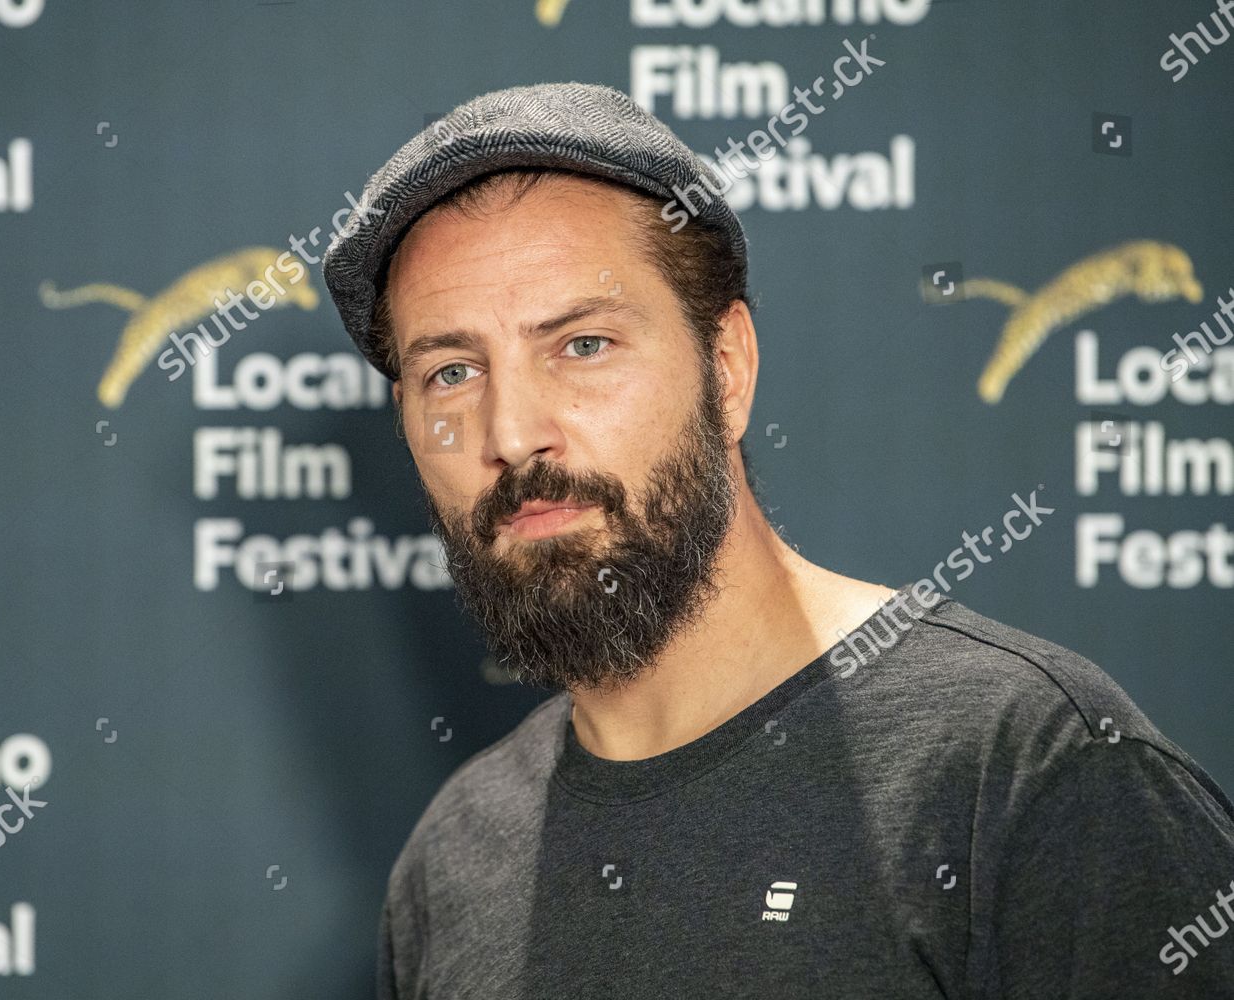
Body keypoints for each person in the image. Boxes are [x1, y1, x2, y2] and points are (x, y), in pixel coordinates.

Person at [321, 82, 1234, 999]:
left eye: (584, 345)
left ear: (727, 369)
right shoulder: (453, 860)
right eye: (450, 371)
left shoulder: (1029, 772)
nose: (511, 432)